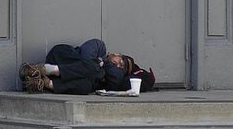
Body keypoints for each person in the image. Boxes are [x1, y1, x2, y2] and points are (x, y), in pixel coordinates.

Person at [19, 38, 154, 95]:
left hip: (64, 79)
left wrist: (103, 67)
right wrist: (100, 64)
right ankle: (44, 69)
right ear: (116, 54)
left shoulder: (105, 74)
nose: (118, 66)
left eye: (121, 68)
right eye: (121, 62)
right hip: (60, 57)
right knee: (93, 69)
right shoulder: (100, 46)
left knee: (86, 86)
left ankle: (44, 82)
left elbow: (116, 79)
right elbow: (85, 56)